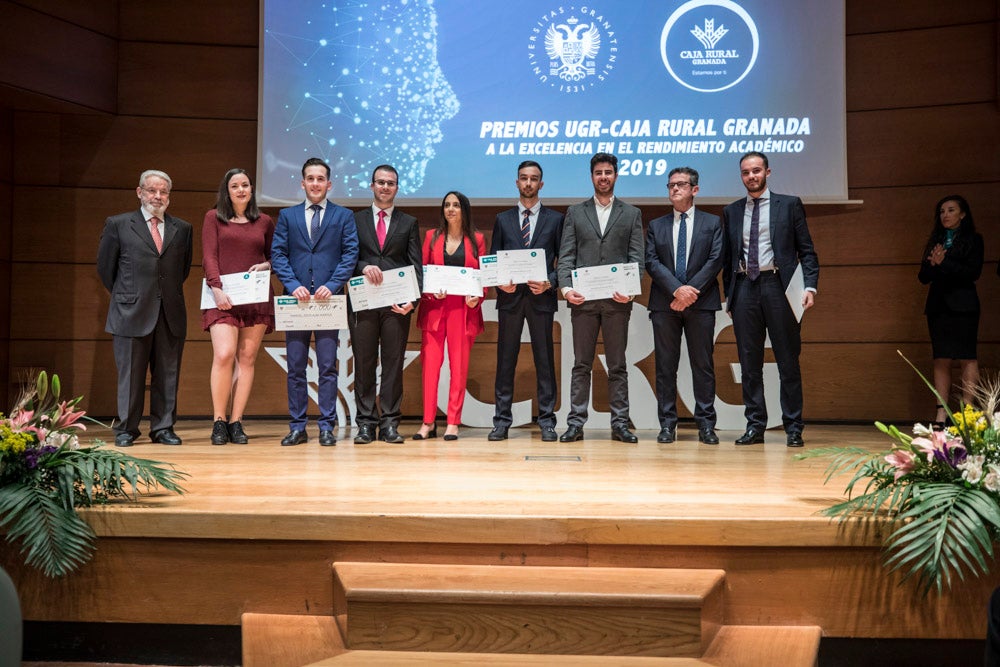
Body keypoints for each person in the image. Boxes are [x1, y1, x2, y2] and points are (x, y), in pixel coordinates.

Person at [721, 152, 819, 448]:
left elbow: (807, 251)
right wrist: (729, 296)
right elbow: (727, 257)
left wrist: (810, 287)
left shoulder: (788, 205)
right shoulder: (731, 211)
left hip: (779, 287)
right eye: (746, 172)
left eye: (756, 171)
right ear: (741, 176)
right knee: (749, 363)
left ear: (767, 172)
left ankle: (793, 427)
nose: (751, 176)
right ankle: (755, 426)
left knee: (787, 360)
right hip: (744, 289)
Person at [97, 169, 193, 447]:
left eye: (163, 192)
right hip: (129, 312)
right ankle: (126, 429)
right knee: (131, 376)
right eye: (152, 190)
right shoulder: (118, 224)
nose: (158, 196)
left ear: (169, 197)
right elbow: (106, 269)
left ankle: (163, 428)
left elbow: (182, 270)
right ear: (140, 192)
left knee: (168, 374)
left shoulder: (183, 229)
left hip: (170, 313)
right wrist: (129, 295)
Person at [556, 153, 644, 444]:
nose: (603, 177)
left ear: (616, 176)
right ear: (591, 177)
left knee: (617, 364)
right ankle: (575, 424)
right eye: (598, 173)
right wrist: (567, 289)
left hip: (618, 302)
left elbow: (637, 259)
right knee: (581, 364)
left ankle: (620, 424)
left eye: (608, 172)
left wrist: (630, 289)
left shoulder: (631, 214)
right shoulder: (575, 212)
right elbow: (566, 257)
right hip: (583, 301)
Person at [271, 158, 359, 446]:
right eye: (310, 178)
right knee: (295, 367)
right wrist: (293, 285)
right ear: (302, 183)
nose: (315, 183)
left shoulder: (343, 216)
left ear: (329, 184)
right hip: (295, 303)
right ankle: (297, 427)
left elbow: (350, 256)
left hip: (327, 303)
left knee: (327, 367)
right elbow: (279, 255)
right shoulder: (287, 216)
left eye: (321, 179)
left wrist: (332, 286)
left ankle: (326, 427)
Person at [645, 167, 723, 445]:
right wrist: (677, 290)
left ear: (695, 190)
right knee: (666, 367)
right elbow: (651, 262)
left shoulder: (712, 223)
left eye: (681, 185)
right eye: (671, 185)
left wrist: (690, 292)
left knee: (702, 366)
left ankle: (706, 425)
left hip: (701, 305)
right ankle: (667, 425)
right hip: (665, 304)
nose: (675, 189)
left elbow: (715, 260)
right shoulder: (656, 225)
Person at [488, 161, 564, 443]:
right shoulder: (503, 219)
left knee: (545, 360)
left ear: (541, 184)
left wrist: (550, 282)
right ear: (517, 182)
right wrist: (500, 282)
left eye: (534, 179)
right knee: (505, 360)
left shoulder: (556, 219)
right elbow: (495, 261)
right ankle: (501, 421)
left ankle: (547, 421)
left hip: (540, 298)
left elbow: (563, 262)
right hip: (510, 299)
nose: (529, 183)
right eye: (524, 178)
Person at [202, 168, 275, 445]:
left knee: (246, 358)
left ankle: (236, 421)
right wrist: (216, 287)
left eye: (246, 185)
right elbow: (209, 255)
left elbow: (274, 257)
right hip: (222, 297)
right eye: (235, 186)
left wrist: (267, 265)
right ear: (227, 190)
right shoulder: (214, 218)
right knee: (224, 354)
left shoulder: (265, 221)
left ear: (252, 189)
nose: (241, 190)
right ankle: (218, 421)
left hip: (255, 297)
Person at [349, 165, 422, 444]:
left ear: (397, 188)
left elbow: (416, 265)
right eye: (380, 182)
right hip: (363, 302)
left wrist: (411, 302)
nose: (385, 187)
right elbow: (347, 257)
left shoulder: (408, 222)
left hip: (396, 305)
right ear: (371, 186)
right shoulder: (354, 220)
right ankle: (366, 423)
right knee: (364, 363)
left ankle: (390, 423)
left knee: (392, 363)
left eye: (390, 183)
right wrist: (364, 266)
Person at [414, 191, 486, 441]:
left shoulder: (477, 239)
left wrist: (477, 297)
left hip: (462, 310)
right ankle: (428, 422)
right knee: (430, 368)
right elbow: (422, 273)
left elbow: (482, 278)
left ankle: (453, 422)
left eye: (456, 205)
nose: (451, 209)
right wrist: (432, 294)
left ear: (464, 209)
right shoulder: (432, 237)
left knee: (459, 367)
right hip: (435, 308)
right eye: (447, 205)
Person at [917, 195, 983, 428]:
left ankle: (967, 412)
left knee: (967, 357)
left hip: (964, 306)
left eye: (951, 210)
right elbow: (923, 276)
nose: (945, 215)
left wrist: (943, 263)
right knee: (941, 358)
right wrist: (935, 264)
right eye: (942, 211)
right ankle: (941, 414)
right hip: (938, 306)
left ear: (962, 214)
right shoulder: (935, 240)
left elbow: (972, 273)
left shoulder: (974, 240)